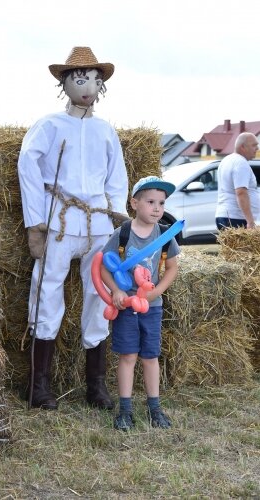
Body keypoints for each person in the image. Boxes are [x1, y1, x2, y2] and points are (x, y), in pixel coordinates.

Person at [17, 47, 129, 411]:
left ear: (101, 87)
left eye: (94, 81)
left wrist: (116, 214)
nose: (87, 87)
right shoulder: (49, 125)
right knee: (47, 289)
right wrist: (36, 220)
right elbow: (28, 168)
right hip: (59, 222)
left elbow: (116, 176)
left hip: (96, 223)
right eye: (79, 79)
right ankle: (39, 386)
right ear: (63, 82)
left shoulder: (104, 131)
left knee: (99, 293)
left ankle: (95, 386)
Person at [101, 176, 180, 431]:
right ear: (134, 203)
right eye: (150, 202)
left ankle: (154, 408)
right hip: (126, 308)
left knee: (150, 357)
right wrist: (115, 291)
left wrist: (156, 291)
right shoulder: (122, 234)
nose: (157, 208)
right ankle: (125, 410)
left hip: (151, 308)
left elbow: (171, 267)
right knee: (128, 356)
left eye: (161, 203)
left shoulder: (165, 236)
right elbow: (103, 267)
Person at [215, 132, 259, 230]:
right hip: (237, 219)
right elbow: (241, 192)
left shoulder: (226, 160)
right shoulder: (241, 163)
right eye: (254, 145)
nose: (257, 148)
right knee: (245, 246)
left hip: (225, 216)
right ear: (243, 147)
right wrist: (250, 221)